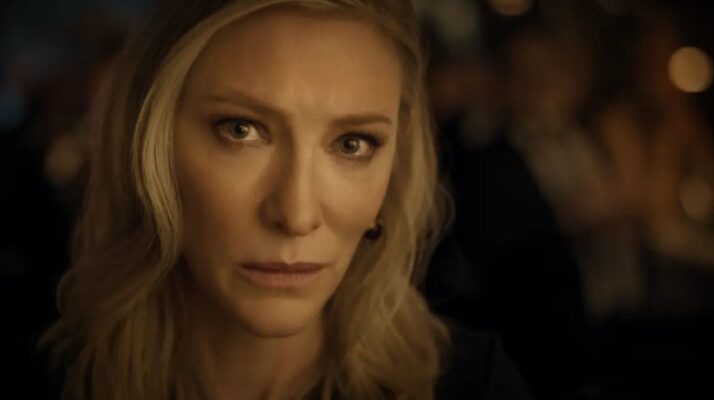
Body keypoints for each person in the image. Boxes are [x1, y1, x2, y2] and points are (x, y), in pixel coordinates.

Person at [39, 1, 532, 399]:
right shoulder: (43, 381)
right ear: (152, 144)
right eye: (242, 130)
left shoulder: (471, 385)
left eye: (352, 144)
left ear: (395, 167)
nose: (296, 216)